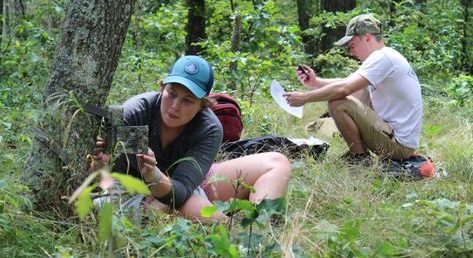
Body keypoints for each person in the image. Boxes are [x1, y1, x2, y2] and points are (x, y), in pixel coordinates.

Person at [93, 55, 291, 221]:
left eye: (188, 100)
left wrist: (154, 175)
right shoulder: (135, 112)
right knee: (211, 219)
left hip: (182, 186)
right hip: (136, 191)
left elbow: (180, 191)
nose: (175, 105)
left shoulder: (209, 127)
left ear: (202, 104)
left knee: (277, 161)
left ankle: (262, 226)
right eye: (172, 93)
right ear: (162, 87)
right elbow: (116, 174)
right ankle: (230, 229)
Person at [284, 13, 422, 163]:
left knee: (338, 103)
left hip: (398, 145)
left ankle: (359, 159)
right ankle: (359, 154)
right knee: (359, 90)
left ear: (367, 37)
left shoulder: (382, 58)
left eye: (352, 45)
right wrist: (315, 82)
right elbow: (347, 82)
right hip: (399, 141)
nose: (351, 52)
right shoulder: (387, 56)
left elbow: (343, 88)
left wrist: (304, 98)